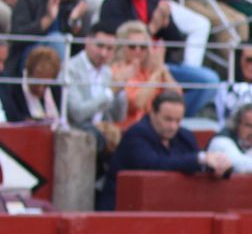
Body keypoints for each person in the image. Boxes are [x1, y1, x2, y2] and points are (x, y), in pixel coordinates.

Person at [99, 90, 235, 210]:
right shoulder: (136, 135)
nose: (173, 126)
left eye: (178, 120)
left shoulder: (184, 136)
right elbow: (155, 165)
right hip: (122, 211)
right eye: (168, 119)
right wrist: (201, 159)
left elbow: (196, 164)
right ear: (153, 113)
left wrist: (220, 166)